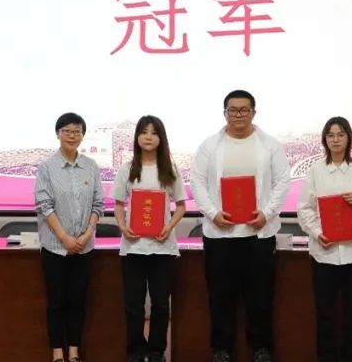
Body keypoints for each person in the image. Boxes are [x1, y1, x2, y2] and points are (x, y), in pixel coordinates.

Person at [191, 89, 291, 362]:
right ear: (224, 113)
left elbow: (283, 181)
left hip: (258, 234)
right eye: (232, 110)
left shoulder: (269, 145)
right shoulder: (209, 146)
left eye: (244, 110)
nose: (238, 115)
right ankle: (221, 349)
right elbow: (197, 182)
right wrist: (213, 213)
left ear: (253, 113)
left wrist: (267, 213)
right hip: (219, 234)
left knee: (260, 296)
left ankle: (261, 348)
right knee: (220, 296)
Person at [296, 116, 352, 362]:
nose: (335, 140)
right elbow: (304, 209)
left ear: (348, 138)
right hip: (324, 254)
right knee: (325, 314)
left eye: (340, 134)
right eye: (331, 135)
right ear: (325, 140)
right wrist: (317, 233)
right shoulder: (315, 171)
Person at [112, 115, 187, 362]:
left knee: (161, 304)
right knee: (133, 304)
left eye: (154, 133)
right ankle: (135, 350)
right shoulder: (127, 169)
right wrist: (123, 226)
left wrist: (169, 226)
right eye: (144, 132)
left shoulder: (169, 169)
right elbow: (119, 203)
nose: (148, 137)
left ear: (161, 138)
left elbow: (181, 206)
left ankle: (156, 350)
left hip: (163, 247)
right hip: (133, 247)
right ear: (137, 137)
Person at [34, 112, 105, 362]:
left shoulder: (91, 166)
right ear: (58, 134)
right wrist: (64, 237)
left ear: (83, 135)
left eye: (77, 131)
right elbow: (44, 205)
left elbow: (98, 204)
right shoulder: (47, 168)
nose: (72, 136)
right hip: (55, 247)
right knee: (57, 301)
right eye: (67, 131)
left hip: (84, 247)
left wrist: (87, 234)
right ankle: (57, 352)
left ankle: (74, 351)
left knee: (78, 300)